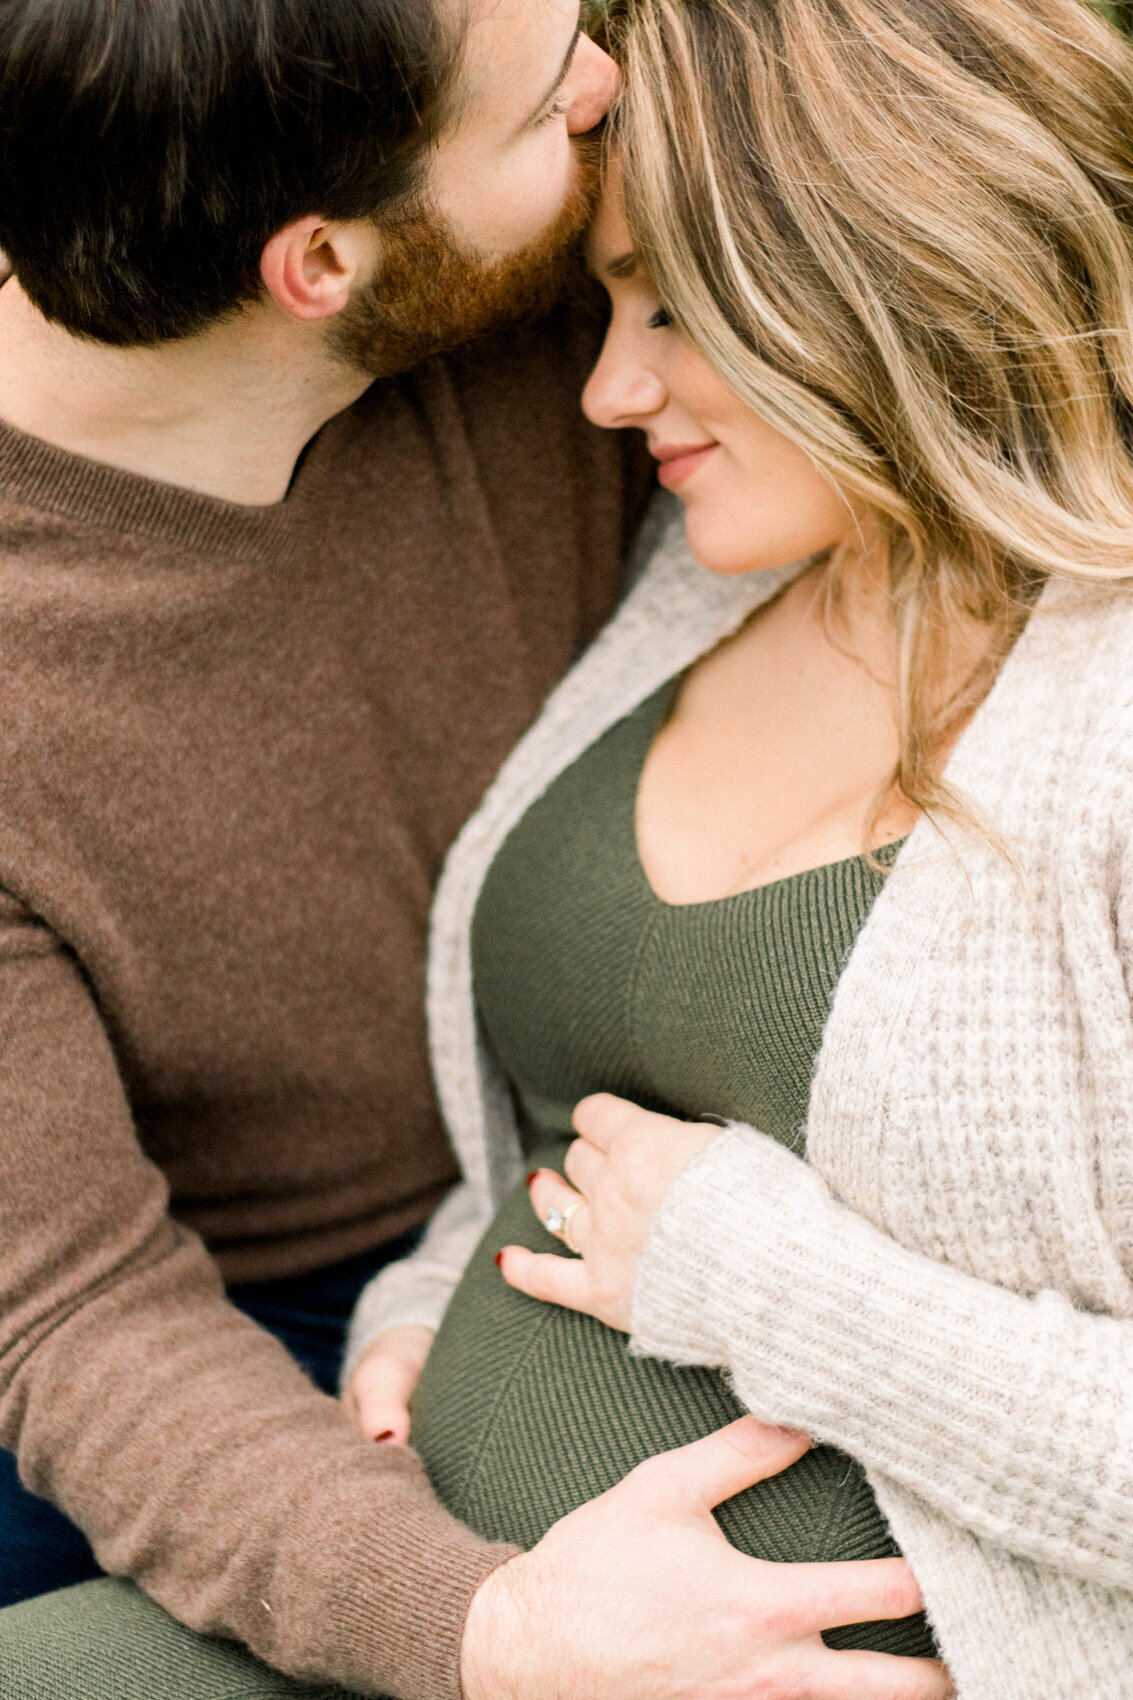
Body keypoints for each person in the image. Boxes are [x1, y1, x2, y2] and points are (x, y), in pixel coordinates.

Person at [344, 0, 1131, 1695]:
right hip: (437, 1615)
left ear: (884, 264)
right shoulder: (711, 569)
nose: (608, 387)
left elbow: (702, 1220)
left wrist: (752, 1282)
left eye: (671, 308)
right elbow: (575, 1124)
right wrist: (423, 1301)